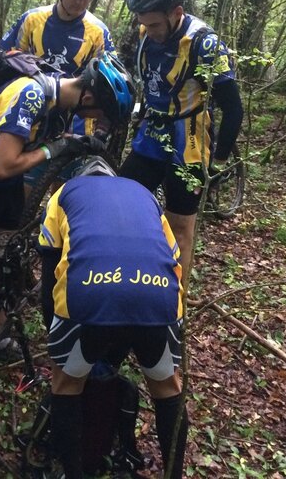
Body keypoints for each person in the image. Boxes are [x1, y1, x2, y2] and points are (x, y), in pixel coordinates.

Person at [0, 53, 134, 405]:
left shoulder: (62, 101)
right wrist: (56, 147)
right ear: (89, 97)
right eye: (98, 115)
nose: (95, 122)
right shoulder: (31, 95)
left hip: (5, 163)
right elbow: (4, 167)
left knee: (7, 250)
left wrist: (68, 143)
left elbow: (28, 150)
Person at [36, 156, 188, 479]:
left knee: (66, 385)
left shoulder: (61, 195)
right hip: (158, 296)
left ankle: (74, 473)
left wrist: (61, 347)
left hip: (89, 294)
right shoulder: (145, 194)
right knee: (167, 389)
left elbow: (49, 284)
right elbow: (173, 259)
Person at [120, 0, 243, 273]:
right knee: (121, 204)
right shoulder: (145, 33)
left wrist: (219, 160)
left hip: (189, 139)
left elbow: (234, 107)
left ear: (176, 12)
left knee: (179, 228)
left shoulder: (204, 44)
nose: (148, 30)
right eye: (143, 23)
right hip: (151, 132)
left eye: (155, 24)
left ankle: (176, 309)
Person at [0, 0, 114, 139]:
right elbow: (4, 67)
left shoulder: (98, 32)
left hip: (76, 128)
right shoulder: (31, 21)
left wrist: (101, 131)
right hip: (29, 120)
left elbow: (109, 86)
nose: (79, 1)